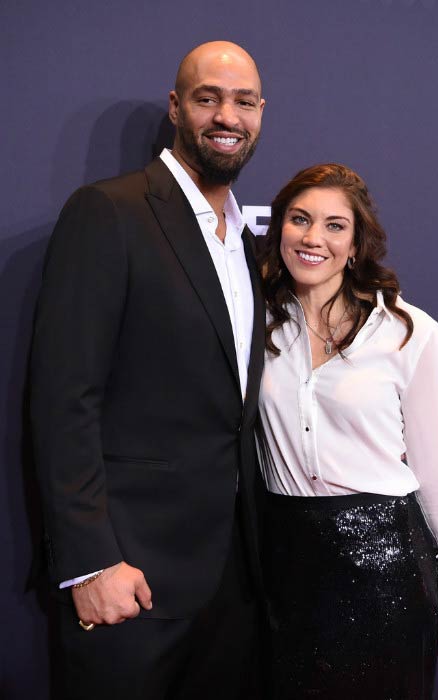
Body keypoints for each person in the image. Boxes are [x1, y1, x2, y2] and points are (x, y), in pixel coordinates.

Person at [30, 41, 266, 700]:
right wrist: (91, 561)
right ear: (175, 107)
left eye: (243, 101)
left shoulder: (244, 243)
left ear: (260, 112)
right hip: (130, 578)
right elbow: (63, 399)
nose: (227, 115)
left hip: (231, 585)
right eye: (207, 97)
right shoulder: (110, 212)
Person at [257, 163, 438, 699]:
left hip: (385, 563)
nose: (314, 238)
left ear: (357, 243)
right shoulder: (257, 322)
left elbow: (435, 465)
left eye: (335, 225)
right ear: (281, 231)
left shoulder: (408, 331)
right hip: (284, 564)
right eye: (300, 220)